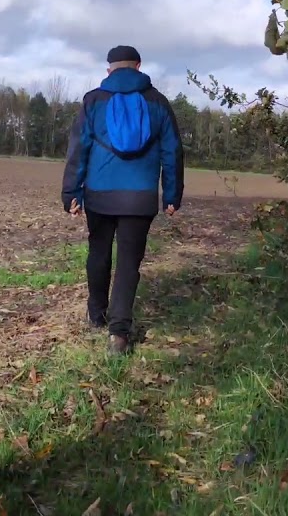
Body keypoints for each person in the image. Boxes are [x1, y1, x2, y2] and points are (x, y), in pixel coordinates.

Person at [61, 45, 185, 355]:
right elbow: (172, 152)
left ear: (109, 70)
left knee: (98, 252)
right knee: (129, 262)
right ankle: (118, 334)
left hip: (100, 194)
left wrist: (71, 193)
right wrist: (172, 194)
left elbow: (78, 150)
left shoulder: (94, 101)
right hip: (140, 198)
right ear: (139, 66)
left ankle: (97, 314)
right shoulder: (158, 102)